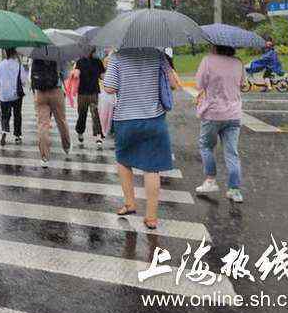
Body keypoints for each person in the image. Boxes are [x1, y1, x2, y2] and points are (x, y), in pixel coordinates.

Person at [103, 48, 177, 230]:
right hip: (154, 119)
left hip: (126, 119)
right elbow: (173, 84)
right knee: (152, 168)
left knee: (123, 160)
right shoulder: (158, 55)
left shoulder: (117, 57)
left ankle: (130, 204)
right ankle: (151, 217)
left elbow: (109, 88)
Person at [194, 45, 246, 203]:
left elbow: (199, 84)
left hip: (213, 113)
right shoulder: (238, 62)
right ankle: (234, 190)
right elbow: (243, 84)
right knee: (232, 153)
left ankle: (210, 180)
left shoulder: (208, 61)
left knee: (206, 146)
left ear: (215, 46)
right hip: (234, 114)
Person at [31, 58, 71, 167]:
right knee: (61, 121)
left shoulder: (36, 55)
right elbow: (66, 75)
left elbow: (32, 77)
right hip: (56, 91)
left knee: (43, 124)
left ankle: (44, 157)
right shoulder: (59, 55)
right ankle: (66, 147)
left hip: (40, 93)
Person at [73, 48, 106, 149]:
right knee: (87, 114)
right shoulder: (83, 61)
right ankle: (85, 133)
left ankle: (96, 135)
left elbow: (102, 76)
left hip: (89, 92)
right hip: (86, 92)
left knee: (91, 113)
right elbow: (102, 76)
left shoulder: (94, 61)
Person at [0, 48, 27, 146]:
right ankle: (17, 136)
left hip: (4, 95)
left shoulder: (0, 65)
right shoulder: (18, 65)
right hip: (16, 95)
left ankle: (4, 132)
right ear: (14, 53)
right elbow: (24, 81)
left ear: (6, 53)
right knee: (17, 114)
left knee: (5, 115)